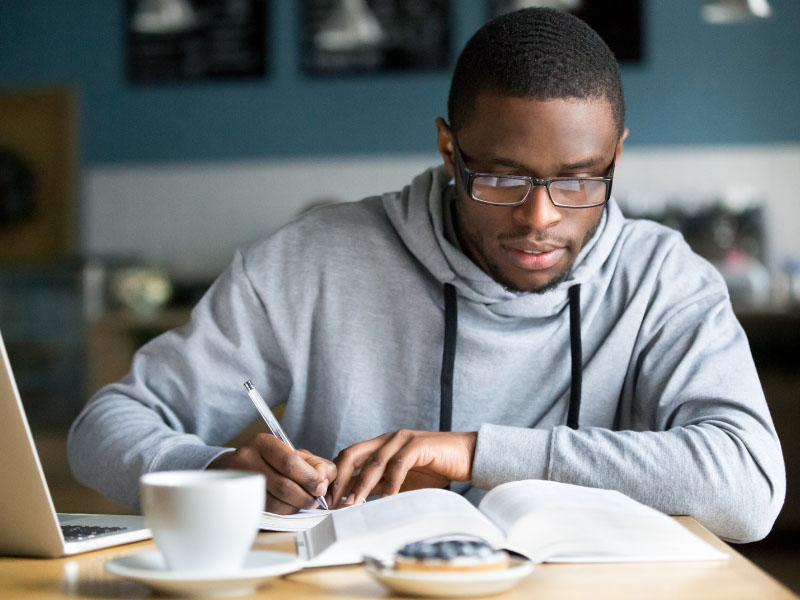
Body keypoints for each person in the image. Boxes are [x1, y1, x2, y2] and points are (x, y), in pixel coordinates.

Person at [68, 8, 785, 543]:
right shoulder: (311, 261)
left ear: (616, 154)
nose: (540, 218)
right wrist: (217, 469)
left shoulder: (662, 280)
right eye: (502, 178)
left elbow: (749, 489)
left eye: (578, 180)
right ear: (451, 148)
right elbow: (103, 427)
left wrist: (474, 452)